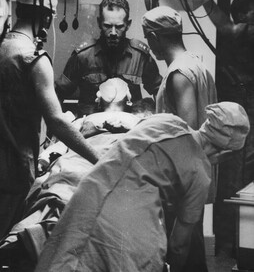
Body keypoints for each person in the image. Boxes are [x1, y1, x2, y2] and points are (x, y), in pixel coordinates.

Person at [34, 102, 250, 272]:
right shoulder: (200, 173)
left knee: (65, 262)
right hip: (129, 221)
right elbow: (179, 244)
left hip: (88, 195)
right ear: (226, 152)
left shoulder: (166, 120)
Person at [0, 78, 152, 271]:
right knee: (86, 184)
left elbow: (57, 148)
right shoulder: (143, 124)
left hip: (81, 161)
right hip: (110, 159)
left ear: (97, 99)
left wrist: (44, 161)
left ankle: (41, 230)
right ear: (129, 98)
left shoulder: (83, 122)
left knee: (61, 188)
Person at [0, 0, 98, 259]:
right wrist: (99, 160)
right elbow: (57, 122)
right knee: (4, 243)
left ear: (17, 10)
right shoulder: (33, 58)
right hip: (11, 168)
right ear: (48, 18)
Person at [141, 5, 217, 272]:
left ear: (153, 37)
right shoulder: (197, 64)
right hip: (197, 175)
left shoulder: (179, 74)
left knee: (181, 251)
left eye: (148, 40)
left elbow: (186, 131)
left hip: (182, 180)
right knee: (193, 251)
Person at [202, 0, 254, 255]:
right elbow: (228, 28)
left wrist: (206, 0)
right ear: (244, 14)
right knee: (236, 173)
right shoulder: (243, 32)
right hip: (243, 110)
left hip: (244, 110)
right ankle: (232, 243)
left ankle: (234, 242)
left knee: (238, 172)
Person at [55, 0, 162, 117]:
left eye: (119, 26)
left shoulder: (140, 56)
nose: (113, 33)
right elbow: (57, 94)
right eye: (107, 26)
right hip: (91, 131)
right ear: (99, 23)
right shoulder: (83, 56)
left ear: (128, 24)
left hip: (129, 131)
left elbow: (160, 91)